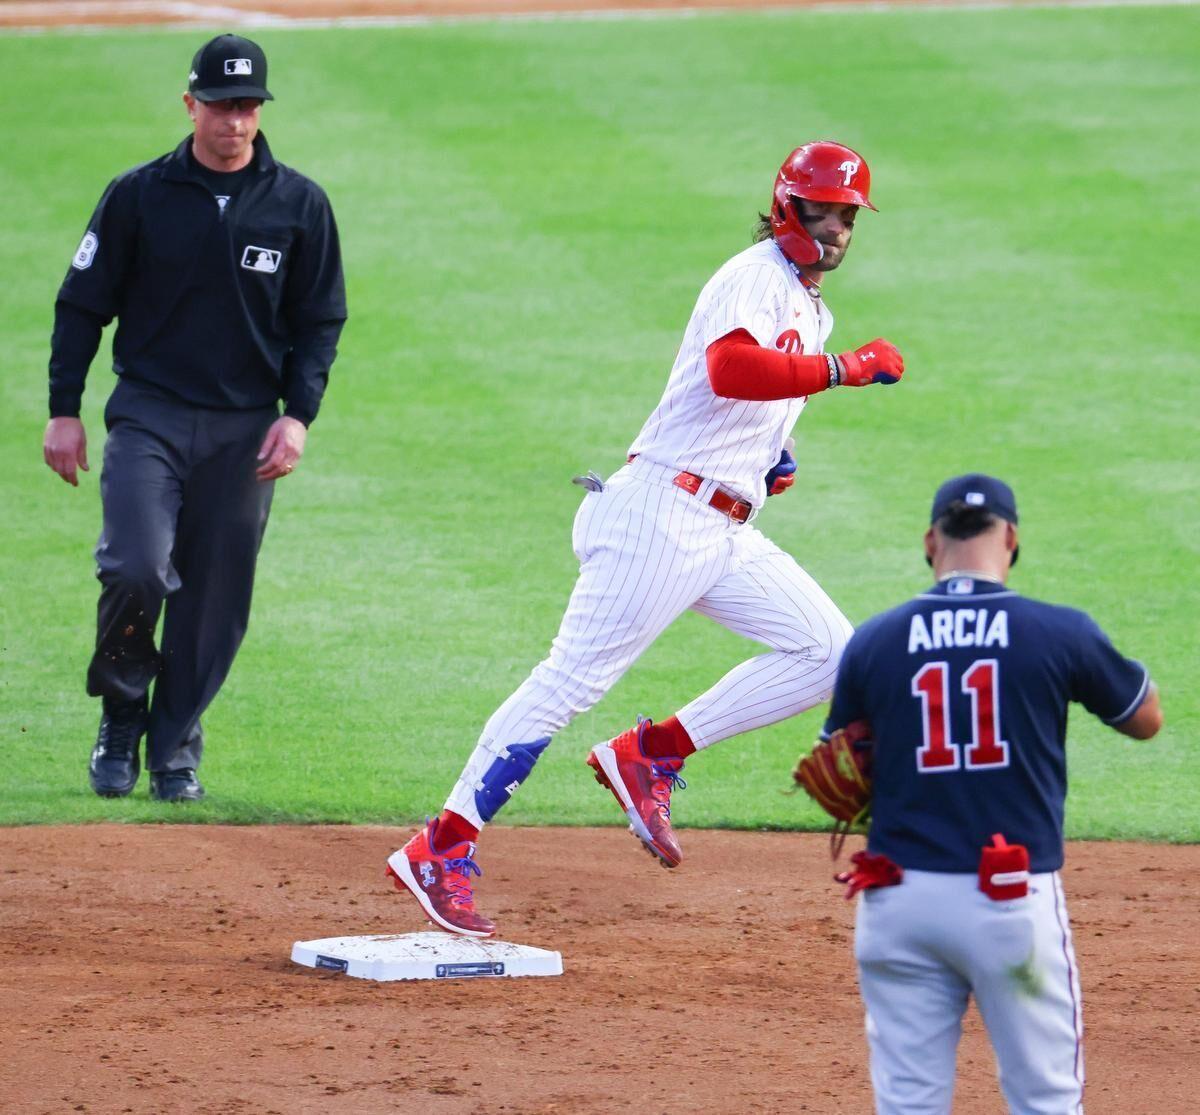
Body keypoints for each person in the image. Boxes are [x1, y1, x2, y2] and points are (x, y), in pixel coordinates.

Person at [387, 141, 907, 937]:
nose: (834, 228)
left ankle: (652, 753)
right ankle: (439, 847)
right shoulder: (753, 275)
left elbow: (733, 401)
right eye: (821, 210)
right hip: (660, 518)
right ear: (785, 206)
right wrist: (844, 370)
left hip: (722, 526)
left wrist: (770, 460)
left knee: (831, 652)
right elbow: (733, 366)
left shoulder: (807, 302)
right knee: (567, 683)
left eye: (846, 216)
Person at [43, 34, 347, 802]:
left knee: (213, 602)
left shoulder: (299, 205)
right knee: (137, 565)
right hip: (149, 414)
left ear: (260, 112)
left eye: (246, 107)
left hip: (245, 428)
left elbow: (319, 322)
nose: (233, 122)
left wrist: (299, 417)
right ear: (190, 106)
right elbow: (82, 305)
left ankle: (174, 745)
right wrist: (63, 411)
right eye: (219, 105)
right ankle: (121, 710)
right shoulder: (138, 194)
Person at [822, 474, 1162, 1114]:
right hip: (1009, 906)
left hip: (897, 901)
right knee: (1045, 1102)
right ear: (1010, 538)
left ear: (931, 540)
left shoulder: (873, 640)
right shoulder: (1058, 632)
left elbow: (843, 773)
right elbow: (1144, 719)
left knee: (908, 1104)